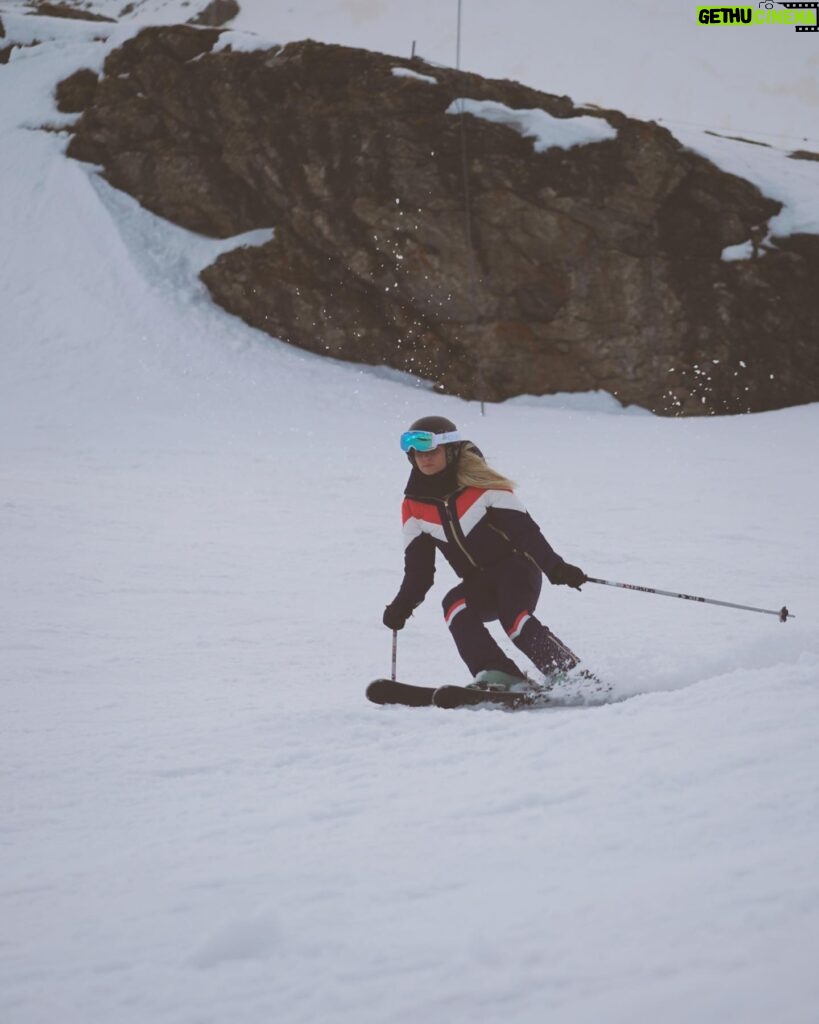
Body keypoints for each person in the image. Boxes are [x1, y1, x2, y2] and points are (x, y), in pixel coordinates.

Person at [382, 415, 589, 691]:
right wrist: (402, 605)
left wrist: (555, 567)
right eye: (417, 453)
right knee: (455, 604)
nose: (424, 458)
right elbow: (419, 570)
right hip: (479, 581)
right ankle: (499, 672)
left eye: (431, 451)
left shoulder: (484, 487)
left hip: (516, 569)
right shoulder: (413, 506)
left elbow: (526, 533)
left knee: (513, 618)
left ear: (451, 450)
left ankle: (570, 675)